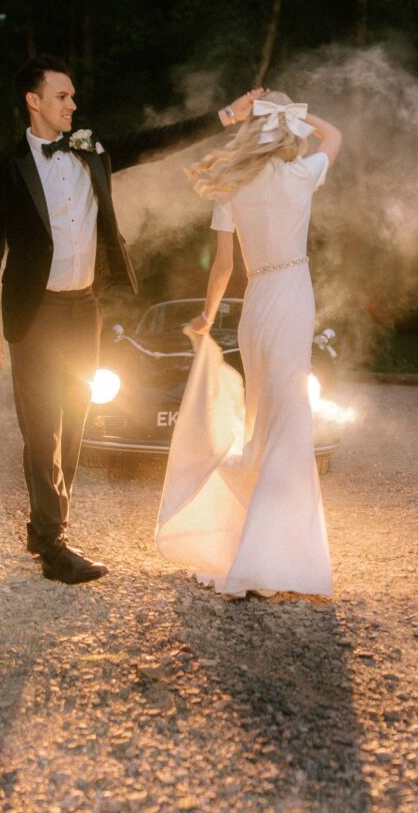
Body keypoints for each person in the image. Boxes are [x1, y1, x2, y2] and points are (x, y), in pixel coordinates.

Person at [0, 53, 261, 585]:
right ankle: (54, 546)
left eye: (73, 96)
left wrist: (226, 117)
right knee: (42, 429)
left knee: (76, 423)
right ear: (32, 101)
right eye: (62, 96)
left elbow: (155, 142)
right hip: (33, 315)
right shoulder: (1, 166)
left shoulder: (90, 148)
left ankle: (43, 528)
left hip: (85, 310)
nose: (72, 104)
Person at [155, 91, 342, 598]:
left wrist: (207, 315)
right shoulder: (301, 175)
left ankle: (256, 545)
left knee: (265, 419)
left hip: (256, 303)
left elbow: (224, 267)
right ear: (288, 132)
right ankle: (273, 558)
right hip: (291, 295)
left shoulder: (232, 187)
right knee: (288, 419)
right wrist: (302, 115)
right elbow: (336, 137)